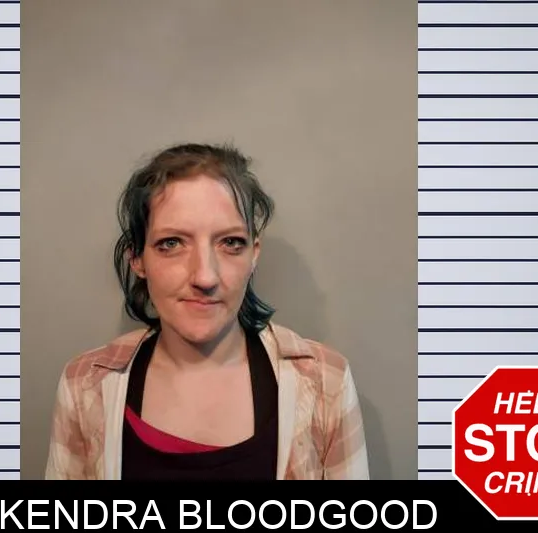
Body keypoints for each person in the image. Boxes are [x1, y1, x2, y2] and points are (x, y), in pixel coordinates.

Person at [44, 142, 369, 480]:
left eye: (231, 243)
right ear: (137, 259)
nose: (205, 277)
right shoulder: (85, 386)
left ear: (254, 254)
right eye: (171, 243)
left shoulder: (325, 383)